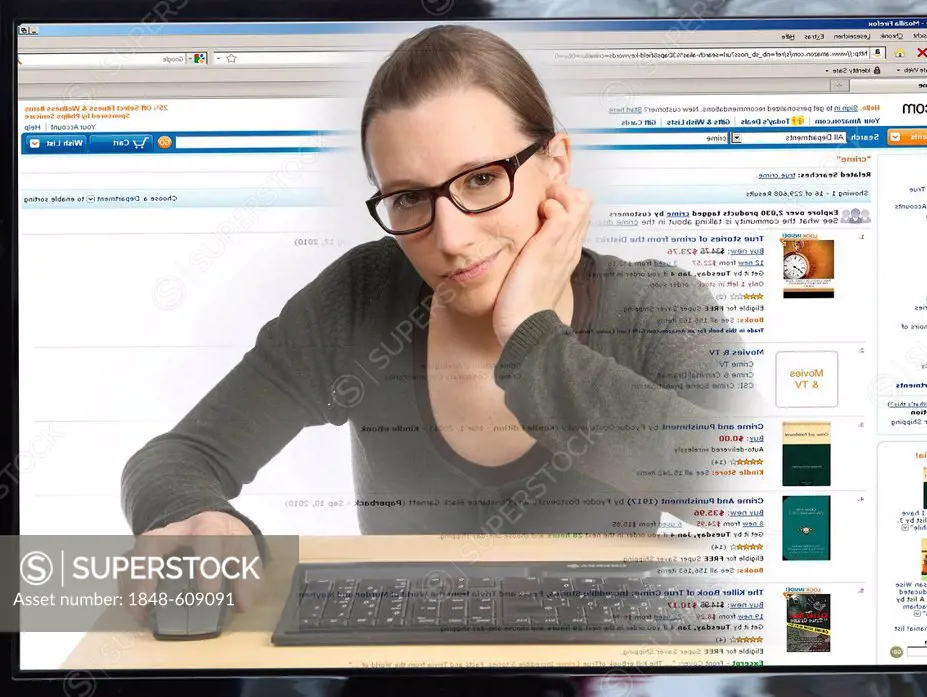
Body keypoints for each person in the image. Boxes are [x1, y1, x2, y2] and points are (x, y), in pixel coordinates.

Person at [120, 24, 756, 611]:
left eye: (481, 179)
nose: (449, 238)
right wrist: (201, 515)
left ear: (556, 164)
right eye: (409, 198)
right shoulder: (365, 295)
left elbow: (753, 496)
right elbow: (179, 457)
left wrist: (531, 339)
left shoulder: (653, 305)